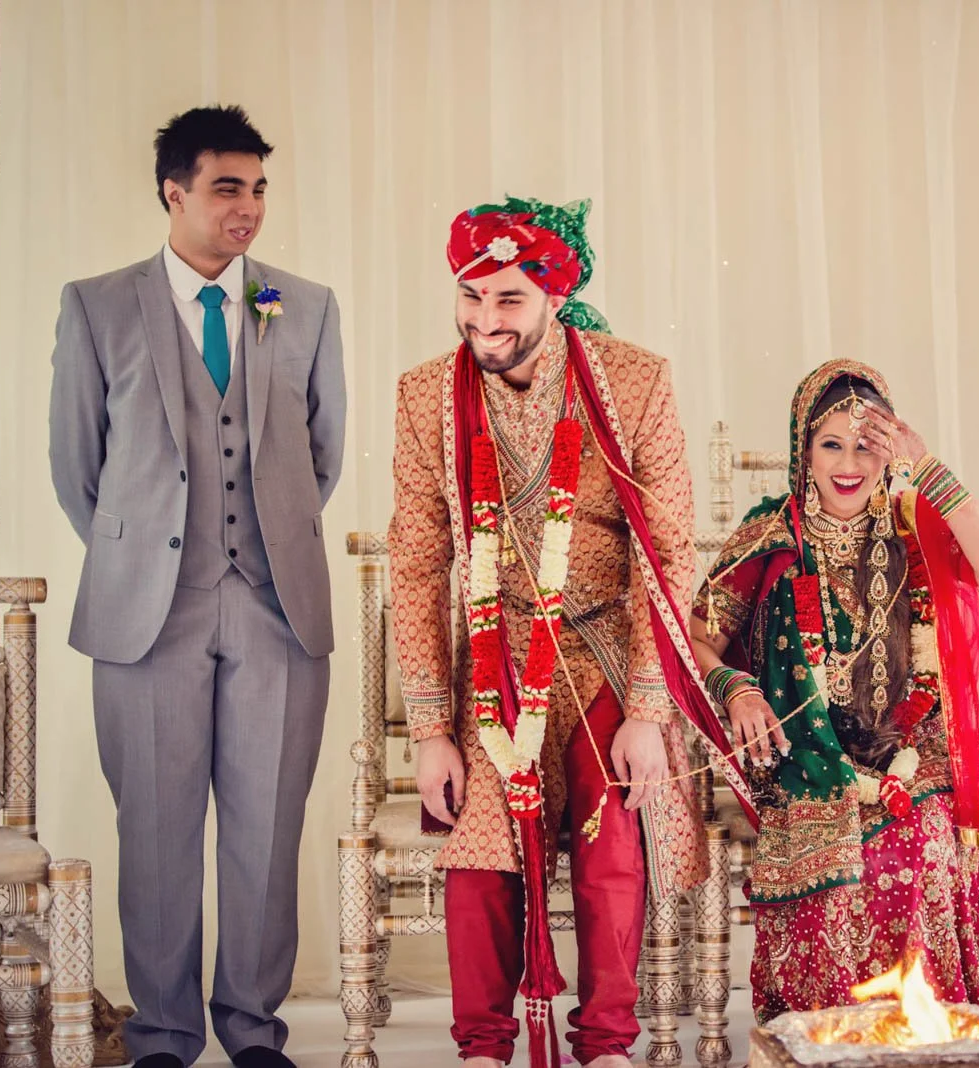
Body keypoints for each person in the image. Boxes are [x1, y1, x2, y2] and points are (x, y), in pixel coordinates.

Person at [387, 196, 746, 1068]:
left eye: (508, 299)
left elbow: (664, 551)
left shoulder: (632, 382)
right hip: (489, 656)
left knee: (612, 833)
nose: (485, 320)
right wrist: (432, 733)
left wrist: (650, 710)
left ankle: (607, 1044)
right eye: (472, 297)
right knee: (478, 848)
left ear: (553, 292)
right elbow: (414, 564)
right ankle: (482, 1045)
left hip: (607, 652)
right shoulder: (425, 395)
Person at [49, 106, 346, 1068]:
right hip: (147, 612)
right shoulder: (97, 305)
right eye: (228, 187)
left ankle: (255, 1033)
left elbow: (322, 453)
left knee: (267, 829)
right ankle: (164, 1038)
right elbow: (77, 467)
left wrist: (256, 540)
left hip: (275, 603)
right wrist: (150, 551)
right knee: (159, 834)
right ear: (173, 192)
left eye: (259, 187)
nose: (249, 207)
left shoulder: (304, 305)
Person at [689, 359, 979, 1050]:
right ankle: (832, 1031)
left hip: (912, 750)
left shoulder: (915, 529)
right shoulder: (769, 535)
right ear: (803, 451)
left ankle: (920, 1030)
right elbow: (699, 637)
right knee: (835, 830)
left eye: (866, 444)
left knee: (924, 832)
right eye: (832, 444)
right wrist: (738, 687)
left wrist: (926, 465)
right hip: (801, 756)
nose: (850, 463)